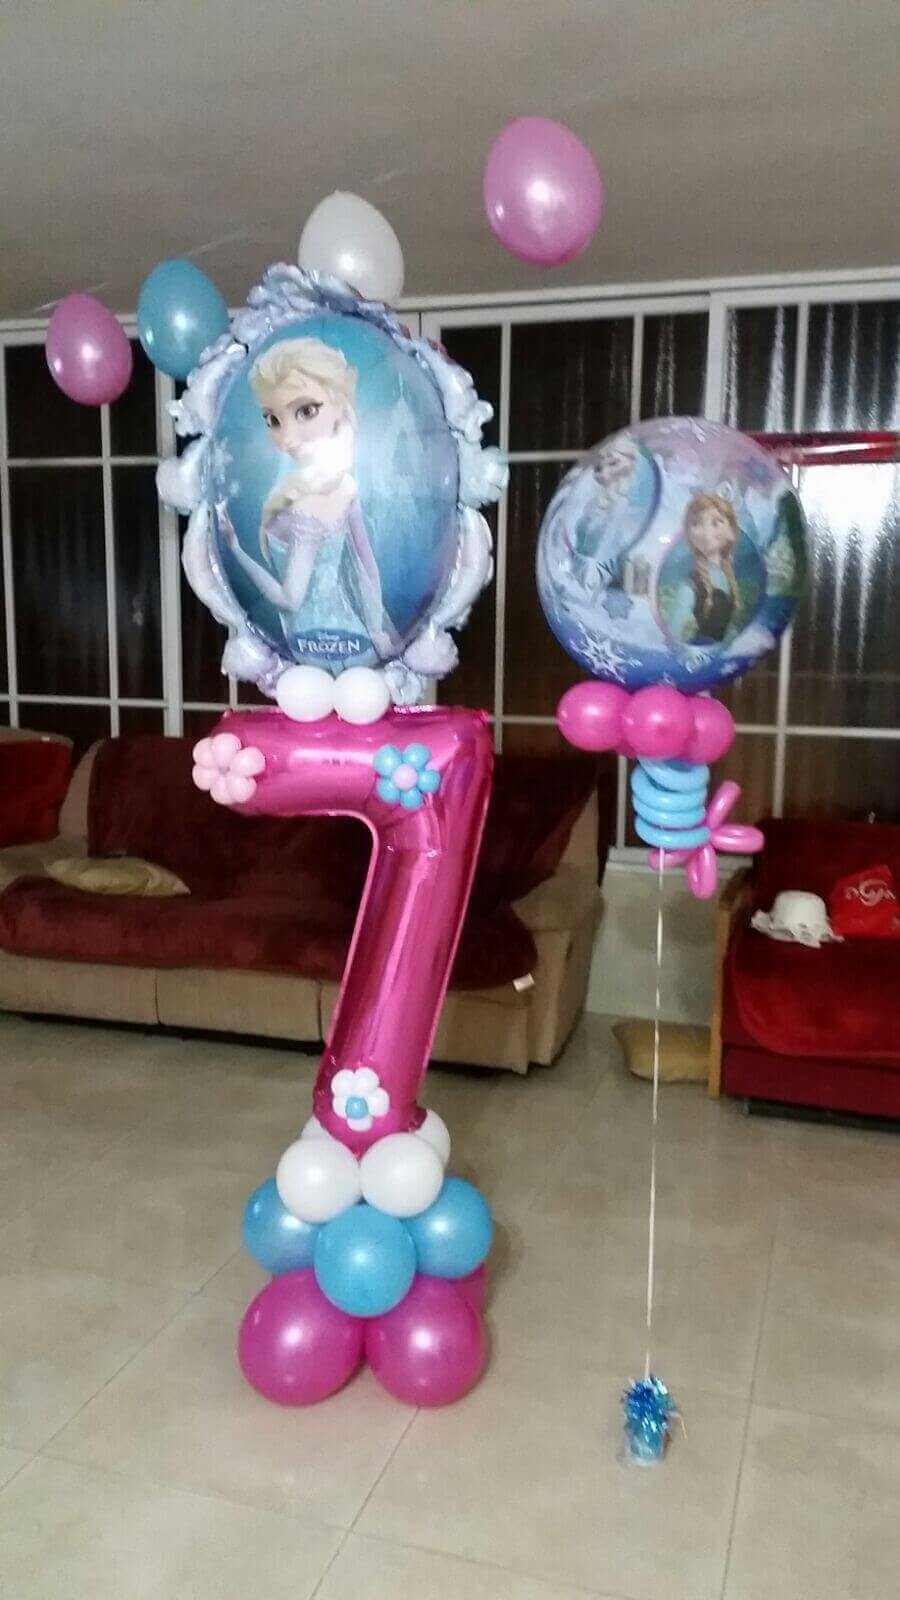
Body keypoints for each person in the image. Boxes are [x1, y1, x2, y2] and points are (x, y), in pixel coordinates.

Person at [220, 336, 397, 669]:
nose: (287, 439)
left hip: (314, 647)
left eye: (306, 411)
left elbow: (290, 599)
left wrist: (237, 550)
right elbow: (369, 568)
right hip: (353, 638)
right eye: (273, 420)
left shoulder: (306, 509)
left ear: (340, 406)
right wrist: (375, 630)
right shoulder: (345, 487)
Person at [663, 492, 743, 644]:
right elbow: (671, 636)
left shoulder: (727, 576)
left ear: (731, 532)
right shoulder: (690, 586)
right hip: (702, 649)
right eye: (696, 524)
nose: (706, 531)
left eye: (715, 523)